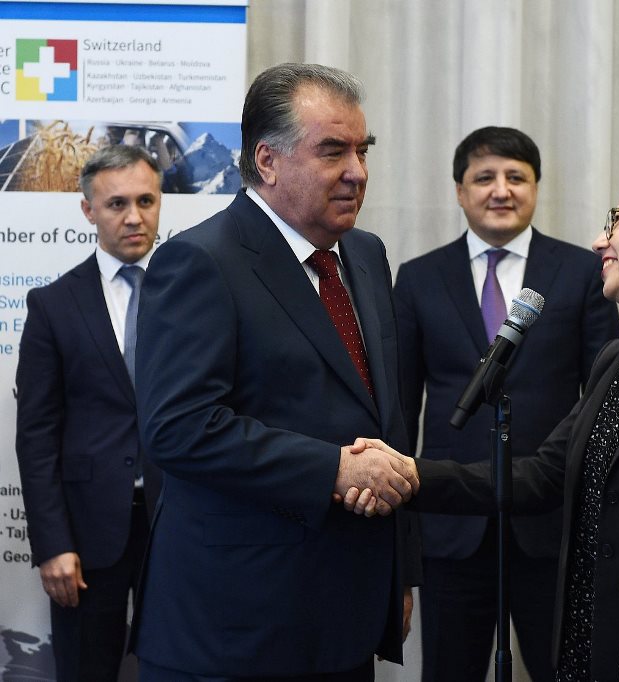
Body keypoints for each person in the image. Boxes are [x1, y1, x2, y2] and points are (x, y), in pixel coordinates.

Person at [348, 160, 619, 680]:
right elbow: (543, 474)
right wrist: (410, 474)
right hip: (590, 633)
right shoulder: (618, 360)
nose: (599, 241)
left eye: (617, 221)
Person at [129, 63, 421, 680]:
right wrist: (333, 468)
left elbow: (382, 414)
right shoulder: (199, 261)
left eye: (363, 151)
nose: (358, 172)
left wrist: (400, 570)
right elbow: (179, 428)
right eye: (333, 151)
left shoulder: (365, 254)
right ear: (267, 160)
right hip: (234, 626)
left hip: (347, 610)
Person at [392, 126, 619, 682]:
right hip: (451, 525)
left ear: (536, 187)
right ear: (460, 191)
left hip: (551, 524)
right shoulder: (419, 278)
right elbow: (399, 409)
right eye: (484, 178)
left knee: (563, 670)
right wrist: (402, 544)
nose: (501, 190)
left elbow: (606, 398)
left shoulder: (581, 272)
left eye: (516, 177)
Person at [15, 144, 164, 681]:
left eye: (145, 200)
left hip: (177, 525)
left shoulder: (193, 294)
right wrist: (53, 544)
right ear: (88, 210)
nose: (134, 217)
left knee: (182, 668)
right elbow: (36, 437)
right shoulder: (54, 305)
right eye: (117, 203)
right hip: (87, 534)